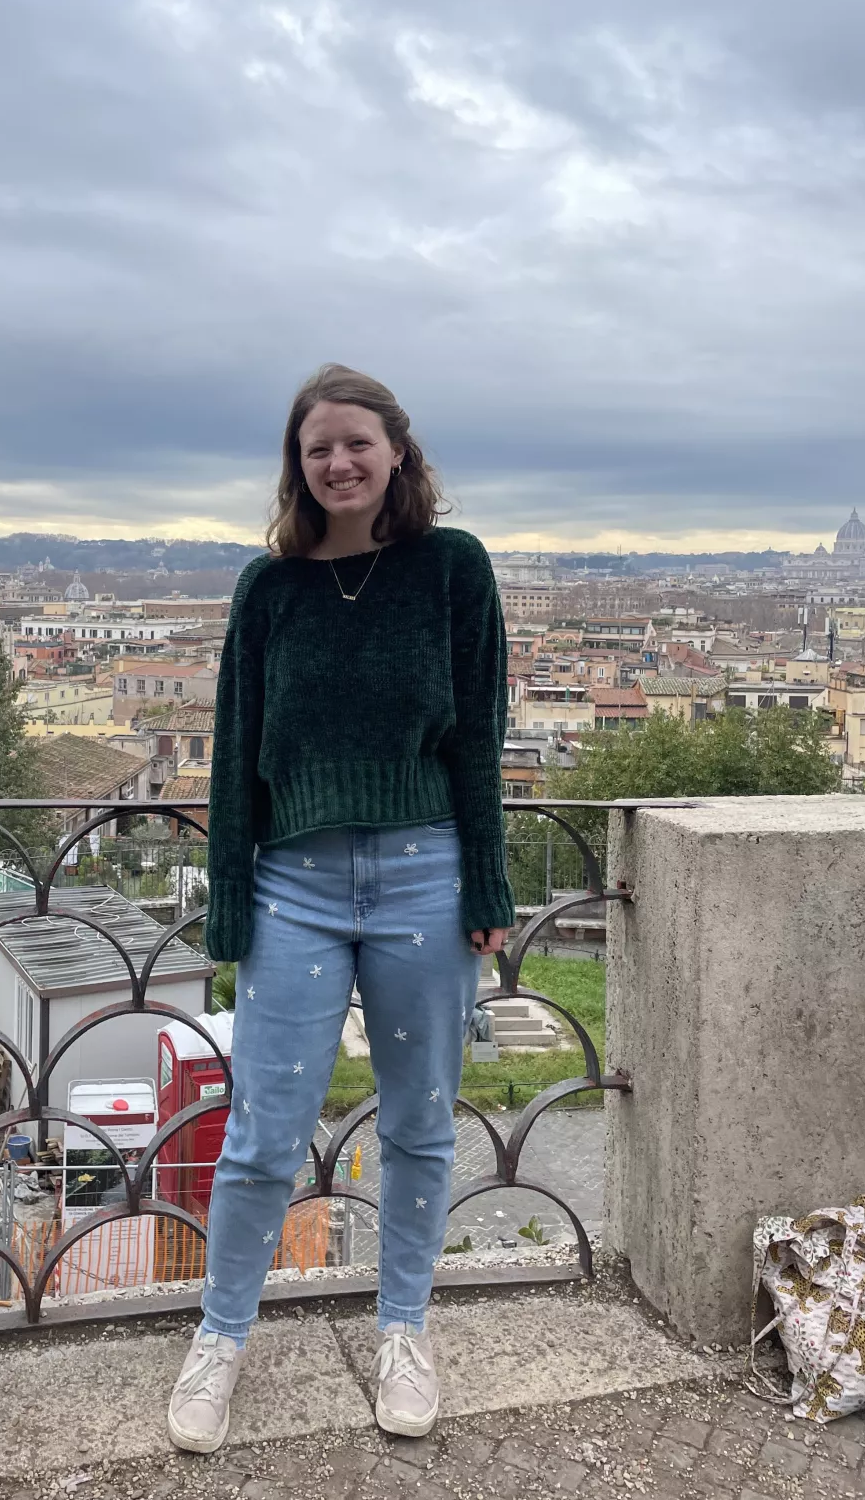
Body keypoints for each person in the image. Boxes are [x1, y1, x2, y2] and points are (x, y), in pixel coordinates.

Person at [166, 363, 514, 1453]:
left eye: (357, 442)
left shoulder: (452, 569)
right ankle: (220, 1339)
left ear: (397, 452)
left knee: (418, 1124)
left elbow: (478, 742)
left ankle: (404, 1329)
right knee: (263, 1132)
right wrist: (228, 911)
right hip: (294, 888)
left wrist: (489, 885)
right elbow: (234, 761)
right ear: (298, 464)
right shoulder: (266, 589)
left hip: (425, 874)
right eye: (319, 447)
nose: (339, 462)